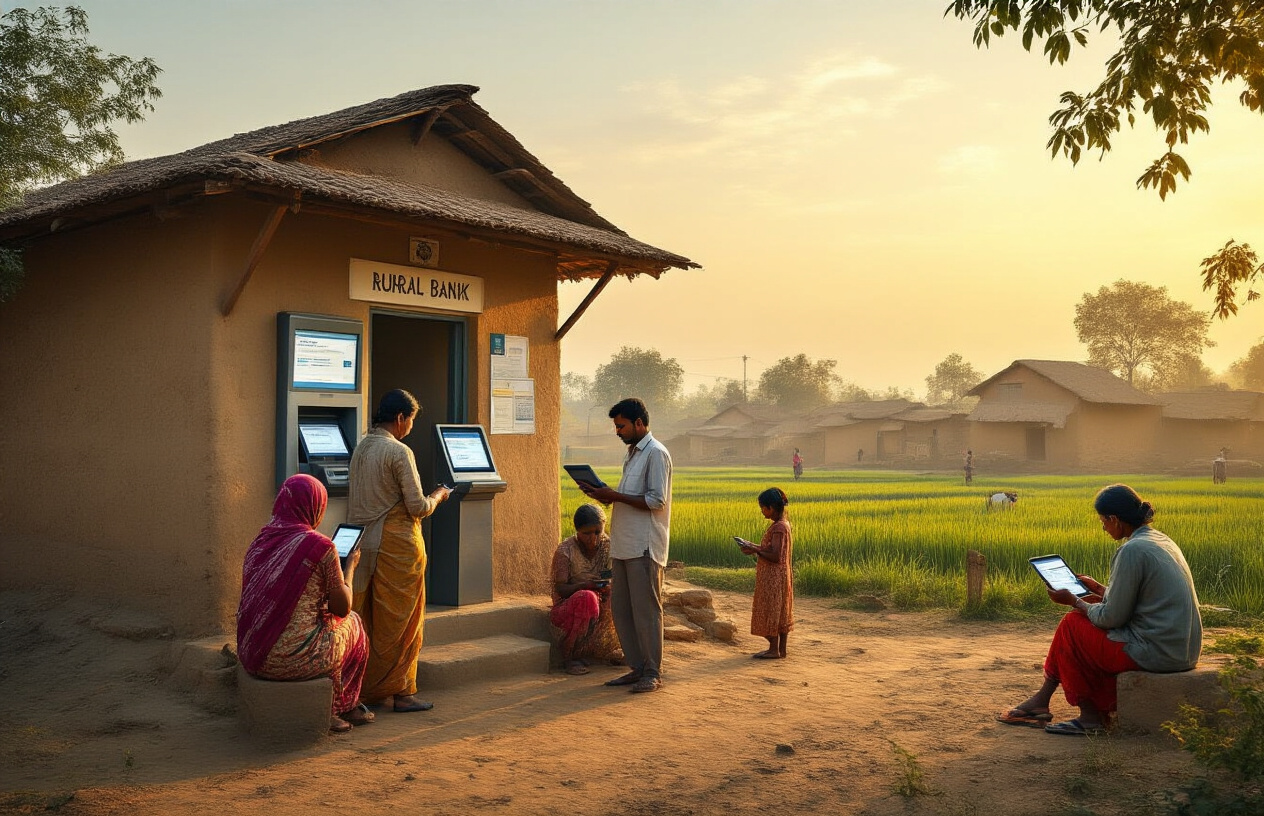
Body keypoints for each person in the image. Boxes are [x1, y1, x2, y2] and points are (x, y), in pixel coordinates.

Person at [998, 484, 1202, 736]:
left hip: (1157, 652)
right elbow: (1139, 601)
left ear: (1114, 519)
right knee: (1085, 613)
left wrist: (1075, 601)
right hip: (1183, 649)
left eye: (1103, 521)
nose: (1103, 527)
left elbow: (1111, 618)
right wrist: (1097, 589)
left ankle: (1090, 718)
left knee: (1073, 625)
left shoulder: (1131, 550)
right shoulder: (1159, 539)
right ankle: (1043, 698)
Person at [236, 474, 372, 734]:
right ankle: (339, 707)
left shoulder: (260, 541)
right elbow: (342, 606)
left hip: (253, 653)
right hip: (290, 660)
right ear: (315, 507)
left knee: (321, 621)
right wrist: (350, 567)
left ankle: (335, 706)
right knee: (352, 623)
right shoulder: (320, 546)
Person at [348, 389, 452, 713]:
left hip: (362, 545)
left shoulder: (361, 447)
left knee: (367, 620)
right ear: (400, 418)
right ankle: (401, 692)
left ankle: (366, 689)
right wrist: (439, 495)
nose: (410, 428)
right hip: (397, 548)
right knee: (401, 624)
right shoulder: (399, 451)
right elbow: (418, 506)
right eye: (410, 421)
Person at [578, 397, 673, 694]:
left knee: (646, 610)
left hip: (644, 544)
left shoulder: (656, 454)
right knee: (623, 610)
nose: (617, 431)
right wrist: (604, 495)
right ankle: (637, 667)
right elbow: (630, 496)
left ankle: (652, 672)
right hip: (623, 543)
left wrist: (615, 496)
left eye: (621, 426)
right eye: (616, 426)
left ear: (639, 423)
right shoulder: (633, 454)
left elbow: (656, 500)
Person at [550, 503, 620, 675]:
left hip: (600, 598)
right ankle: (569, 656)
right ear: (577, 531)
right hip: (568, 607)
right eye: (587, 533)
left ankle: (607, 650)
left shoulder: (609, 546)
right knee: (587, 598)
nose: (593, 539)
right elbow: (560, 590)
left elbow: (616, 576)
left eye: (598, 532)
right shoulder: (565, 551)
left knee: (620, 595)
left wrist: (607, 587)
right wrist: (584, 586)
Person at [738, 487, 795, 659]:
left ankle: (773, 649)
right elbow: (772, 550)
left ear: (771, 507)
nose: (762, 511)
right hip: (782, 574)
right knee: (781, 610)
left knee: (771, 609)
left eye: (763, 507)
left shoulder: (778, 528)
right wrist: (754, 547)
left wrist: (756, 550)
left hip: (773, 577)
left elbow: (775, 555)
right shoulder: (784, 524)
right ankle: (780, 649)